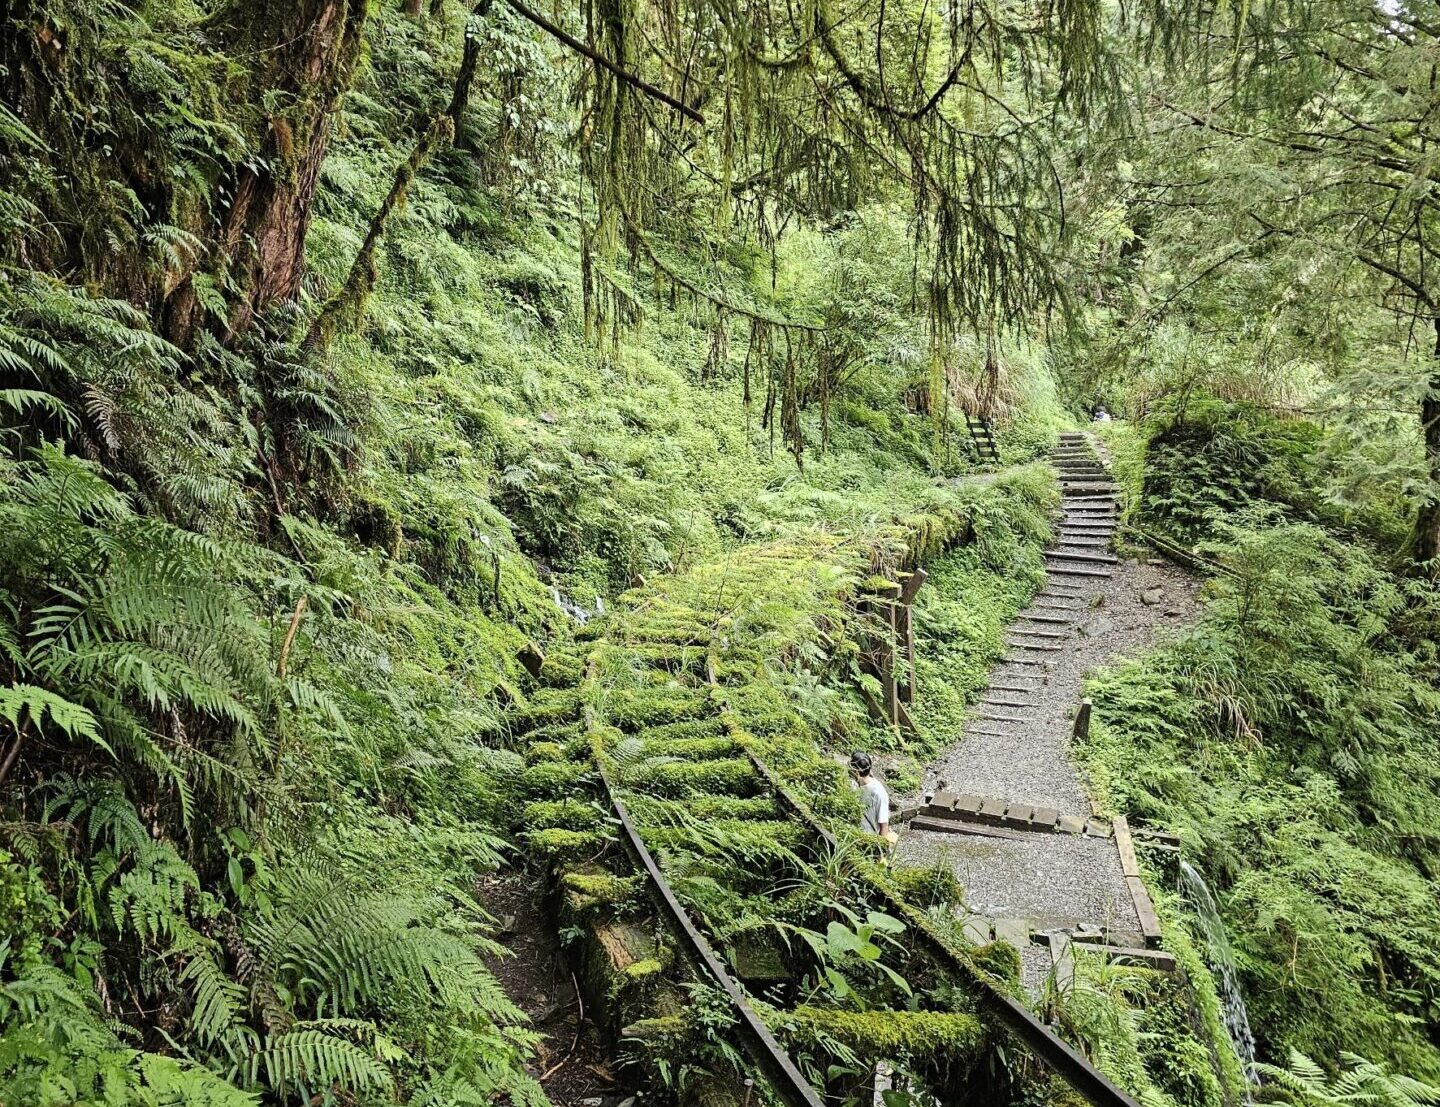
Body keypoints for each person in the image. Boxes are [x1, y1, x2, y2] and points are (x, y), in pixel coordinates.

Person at [848, 752, 895, 843]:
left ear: (856, 772)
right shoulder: (854, 784)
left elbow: (884, 825)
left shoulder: (878, 792)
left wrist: (879, 849)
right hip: (853, 836)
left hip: (869, 840)